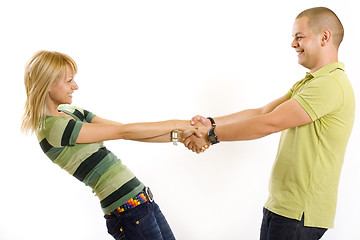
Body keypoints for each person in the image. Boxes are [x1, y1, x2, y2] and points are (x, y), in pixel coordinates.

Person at [184, 7, 355, 240]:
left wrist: (211, 135)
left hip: (300, 212)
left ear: (325, 37)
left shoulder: (330, 85)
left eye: (299, 36)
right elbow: (263, 111)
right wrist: (212, 122)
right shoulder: (310, 83)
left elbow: (269, 123)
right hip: (282, 206)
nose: (293, 44)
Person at [21, 50, 200, 240]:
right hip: (129, 213)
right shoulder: (54, 128)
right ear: (48, 83)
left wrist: (179, 136)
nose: (75, 86)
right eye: (69, 80)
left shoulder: (70, 112)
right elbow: (124, 131)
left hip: (142, 203)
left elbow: (128, 131)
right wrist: (179, 123)